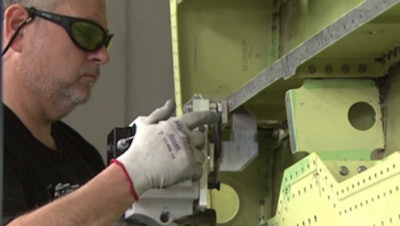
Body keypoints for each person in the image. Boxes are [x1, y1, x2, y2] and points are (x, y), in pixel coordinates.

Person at [2, 0, 220, 225]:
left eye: (106, 42)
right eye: (86, 34)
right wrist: (133, 173)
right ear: (19, 27)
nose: (103, 56)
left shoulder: (81, 156)